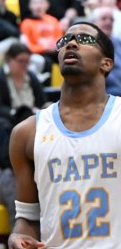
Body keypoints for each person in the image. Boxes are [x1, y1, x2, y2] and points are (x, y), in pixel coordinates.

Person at [8, 21, 121, 249]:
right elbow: (27, 218)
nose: (71, 43)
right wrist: (18, 235)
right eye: (65, 40)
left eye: (84, 39)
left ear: (106, 64)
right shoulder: (27, 133)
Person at [0, 42, 45, 169]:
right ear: (9, 60)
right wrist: (15, 113)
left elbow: (42, 101)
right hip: (8, 119)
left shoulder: (31, 77)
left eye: (27, 61)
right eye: (21, 61)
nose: (24, 65)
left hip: (31, 118)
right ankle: (8, 166)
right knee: (1, 126)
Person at [20, 0, 63, 65]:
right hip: (37, 54)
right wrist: (44, 48)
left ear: (47, 5)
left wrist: (55, 47)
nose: (38, 6)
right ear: (30, 6)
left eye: (41, 2)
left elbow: (60, 40)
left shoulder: (53, 20)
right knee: (46, 62)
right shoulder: (26, 23)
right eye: (35, 3)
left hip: (54, 52)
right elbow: (27, 46)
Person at [91, 6, 121, 96]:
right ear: (93, 22)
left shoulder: (117, 41)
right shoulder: (88, 45)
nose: (108, 22)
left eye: (111, 19)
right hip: (105, 95)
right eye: (104, 19)